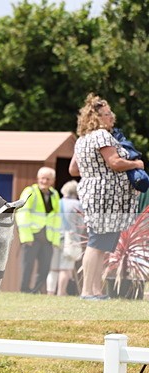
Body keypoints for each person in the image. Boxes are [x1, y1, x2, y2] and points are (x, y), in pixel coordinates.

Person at [69, 94, 141, 300]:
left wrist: (93, 171)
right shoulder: (102, 136)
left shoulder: (82, 139)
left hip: (92, 193)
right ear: (96, 117)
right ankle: (87, 291)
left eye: (111, 113)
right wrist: (136, 165)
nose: (112, 117)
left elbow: (74, 169)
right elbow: (115, 163)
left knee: (100, 244)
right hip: (105, 196)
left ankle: (95, 290)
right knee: (96, 243)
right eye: (107, 114)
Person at [15, 167, 61, 294]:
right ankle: (24, 290)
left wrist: (56, 239)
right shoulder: (30, 192)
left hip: (48, 237)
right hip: (32, 235)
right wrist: (26, 237)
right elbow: (22, 213)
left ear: (52, 180)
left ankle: (36, 291)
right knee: (27, 265)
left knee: (45, 267)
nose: (45, 181)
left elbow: (57, 218)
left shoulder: (55, 194)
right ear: (38, 179)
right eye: (42, 178)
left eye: (48, 179)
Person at [47, 180, 84, 296]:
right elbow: (81, 224)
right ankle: (61, 292)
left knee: (53, 268)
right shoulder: (78, 205)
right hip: (70, 239)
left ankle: (50, 292)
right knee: (66, 268)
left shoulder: (57, 203)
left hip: (56, 237)